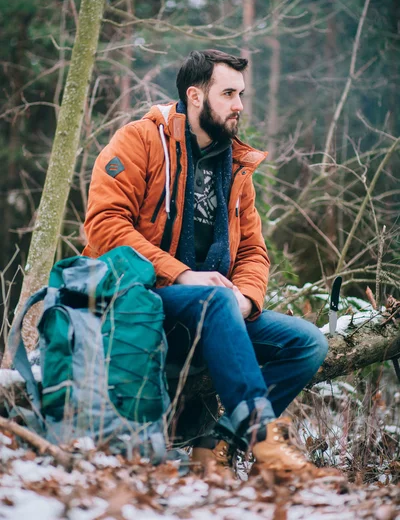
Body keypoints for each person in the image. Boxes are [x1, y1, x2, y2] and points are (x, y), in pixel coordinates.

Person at [83, 49, 328, 474]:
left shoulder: (235, 166)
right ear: (195, 96)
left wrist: (248, 301)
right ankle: (266, 443)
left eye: (242, 94)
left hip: (211, 312)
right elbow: (104, 226)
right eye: (229, 93)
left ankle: (216, 445)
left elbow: (252, 250)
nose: (239, 105)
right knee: (213, 301)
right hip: (138, 302)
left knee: (307, 343)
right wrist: (182, 274)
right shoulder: (139, 141)